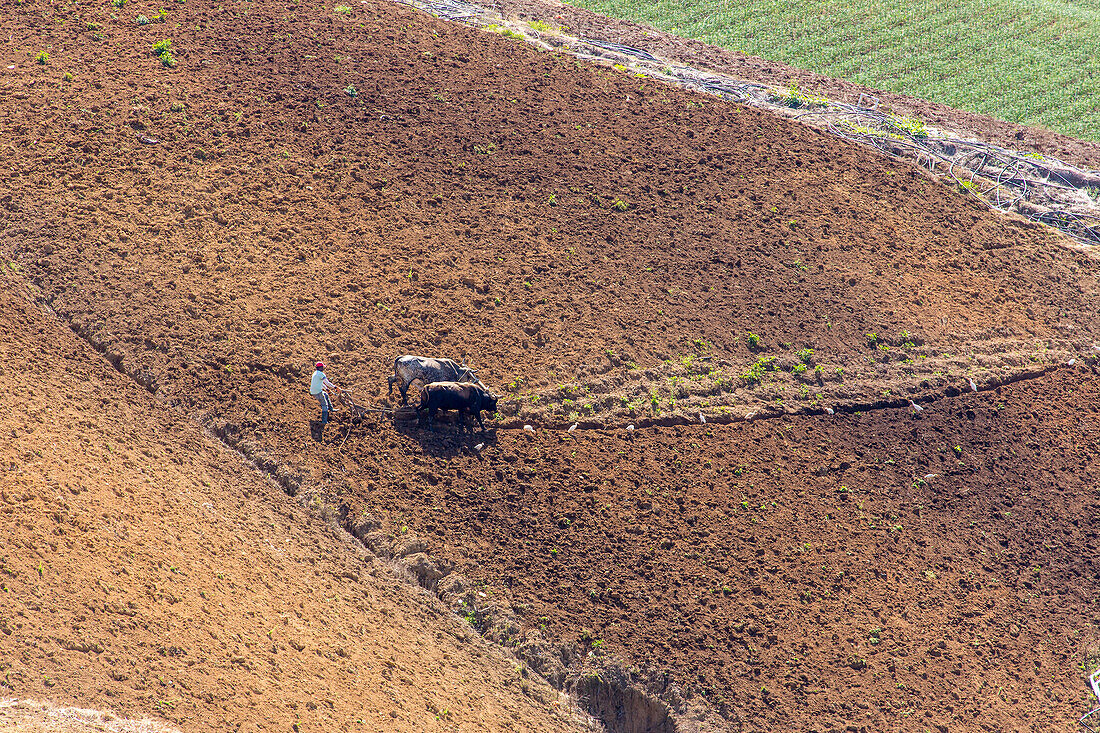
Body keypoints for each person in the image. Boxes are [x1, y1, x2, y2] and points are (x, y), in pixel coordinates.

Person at [310, 362, 339, 426]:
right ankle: (324, 421)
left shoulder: (315, 373)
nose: (323, 368)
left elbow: (321, 383)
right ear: (320, 368)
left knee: (325, 394)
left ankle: (331, 409)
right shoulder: (321, 374)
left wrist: (327, 389)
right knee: (324, 405)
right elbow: (327, 383)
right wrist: (335, 387)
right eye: (322, 367)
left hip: (313, 391)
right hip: (318, 392)